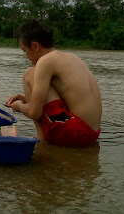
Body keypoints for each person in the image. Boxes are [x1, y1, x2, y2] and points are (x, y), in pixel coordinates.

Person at [6, 19, 102, 147]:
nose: (27, 57)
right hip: (93, 133)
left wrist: (19, 106)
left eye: (25, 51)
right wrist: (26, 100)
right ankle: (44, 136)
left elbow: (34, 112)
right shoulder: (72, 57)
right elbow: (69, 97)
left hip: (77, 133)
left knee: (30, 73)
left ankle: (42, 137)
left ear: (35, 46)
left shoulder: (45, 61)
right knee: (34, 85)